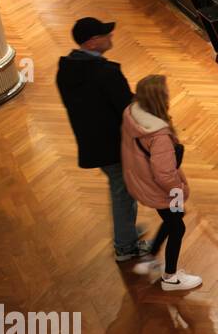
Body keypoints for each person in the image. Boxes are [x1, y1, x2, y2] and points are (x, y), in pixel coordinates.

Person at [56, 17, 152, 262]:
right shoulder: (105, 73)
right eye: (105, 35)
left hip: (93, 144)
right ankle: (125, 246)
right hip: (114, 146)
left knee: (121, 189)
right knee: (123, 193)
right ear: (91, 42)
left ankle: (126, 233)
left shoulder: (67, 70)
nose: (111, 37)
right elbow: (126, 108)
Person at [120, 75, 202, 291]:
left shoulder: (131, 114)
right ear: (158, 99)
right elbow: (165, 175)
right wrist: (180, 191)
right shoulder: (159, 136)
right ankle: (170, 278)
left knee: (174, 219)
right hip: (163, 191)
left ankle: (149, 259)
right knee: (178, 226)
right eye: (165, 93)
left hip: (143, 182)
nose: (168, 96)